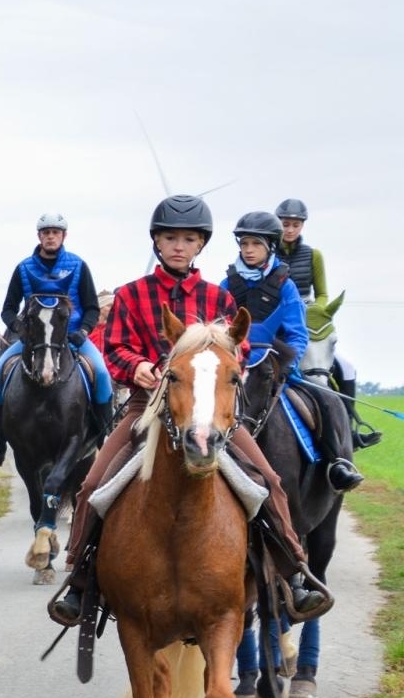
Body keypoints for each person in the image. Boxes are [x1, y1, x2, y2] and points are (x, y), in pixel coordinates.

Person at [48, 195, 333, 626]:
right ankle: (81, 577)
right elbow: (115, 348)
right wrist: (138, 366)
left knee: (268, 478)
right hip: (147, 408)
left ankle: (294, 573)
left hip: (209, 411)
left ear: (200, 244)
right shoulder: (130, 295)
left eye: (187, 239)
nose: (178, 246)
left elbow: (242, 347)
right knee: (92, 484)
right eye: (169, 238)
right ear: (157, 243)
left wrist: (224, 358)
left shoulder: (217, 297)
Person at [224, 210, 361, 491]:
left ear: (270, 246)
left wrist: (288, 365)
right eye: (244, 244)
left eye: (256, 244)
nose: (249, 250)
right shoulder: (227, 285)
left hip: (277, 365)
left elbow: (298, 336)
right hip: (236, 366)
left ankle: (336, 462)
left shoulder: (285, 287)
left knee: (323, 399)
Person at [0, 213, 114, 465]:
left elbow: (92, 308)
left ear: (63, 236)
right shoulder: (24, 268)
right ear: (39, 236)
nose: (51, 236)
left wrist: (83, 331)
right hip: (34, 340)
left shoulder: (78, 266)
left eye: (55, 232)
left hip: (72, 337)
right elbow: (7, 308)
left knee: (102, 374)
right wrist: (21, 329)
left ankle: (106, 436)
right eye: (46, 232)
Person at [277, 198, 379, 449]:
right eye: (286, 224)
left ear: (302, 226)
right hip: (278, 318)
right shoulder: (268, 253)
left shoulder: (313, 255)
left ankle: (350, 428)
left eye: (295, 225)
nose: (290, 229)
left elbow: (322, 293)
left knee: (346, 367)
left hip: (309, 317)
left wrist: (315, 309)